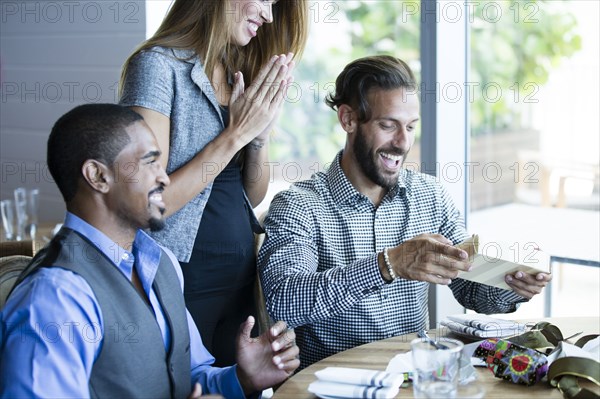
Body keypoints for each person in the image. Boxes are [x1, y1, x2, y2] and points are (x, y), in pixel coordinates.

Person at [257, 55, 553, 369]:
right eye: (388, 125)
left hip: (415, 381)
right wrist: (389, 264)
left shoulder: (430, 195)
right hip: (333, 387)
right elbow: (283, 301)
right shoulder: (299, 205)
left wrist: (512, 285)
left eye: (411, 127)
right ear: (348, 119)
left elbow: (468, 285)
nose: (402, 142)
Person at [0, 104, 299, 398]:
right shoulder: (55, 296)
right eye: (150, 162)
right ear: (98, 176)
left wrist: (241, 378)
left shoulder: (161, 262)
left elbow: (187, 378)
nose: (164, 177)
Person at [118, 0, 308, 367]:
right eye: (264, 0)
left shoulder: (236, 70)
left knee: (238, 387)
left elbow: (249, 194)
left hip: (239, 279)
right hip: (180, 281)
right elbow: (146, 200)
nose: (269, 15)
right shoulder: (158, 66)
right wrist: (235, 135)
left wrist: (258, 137)